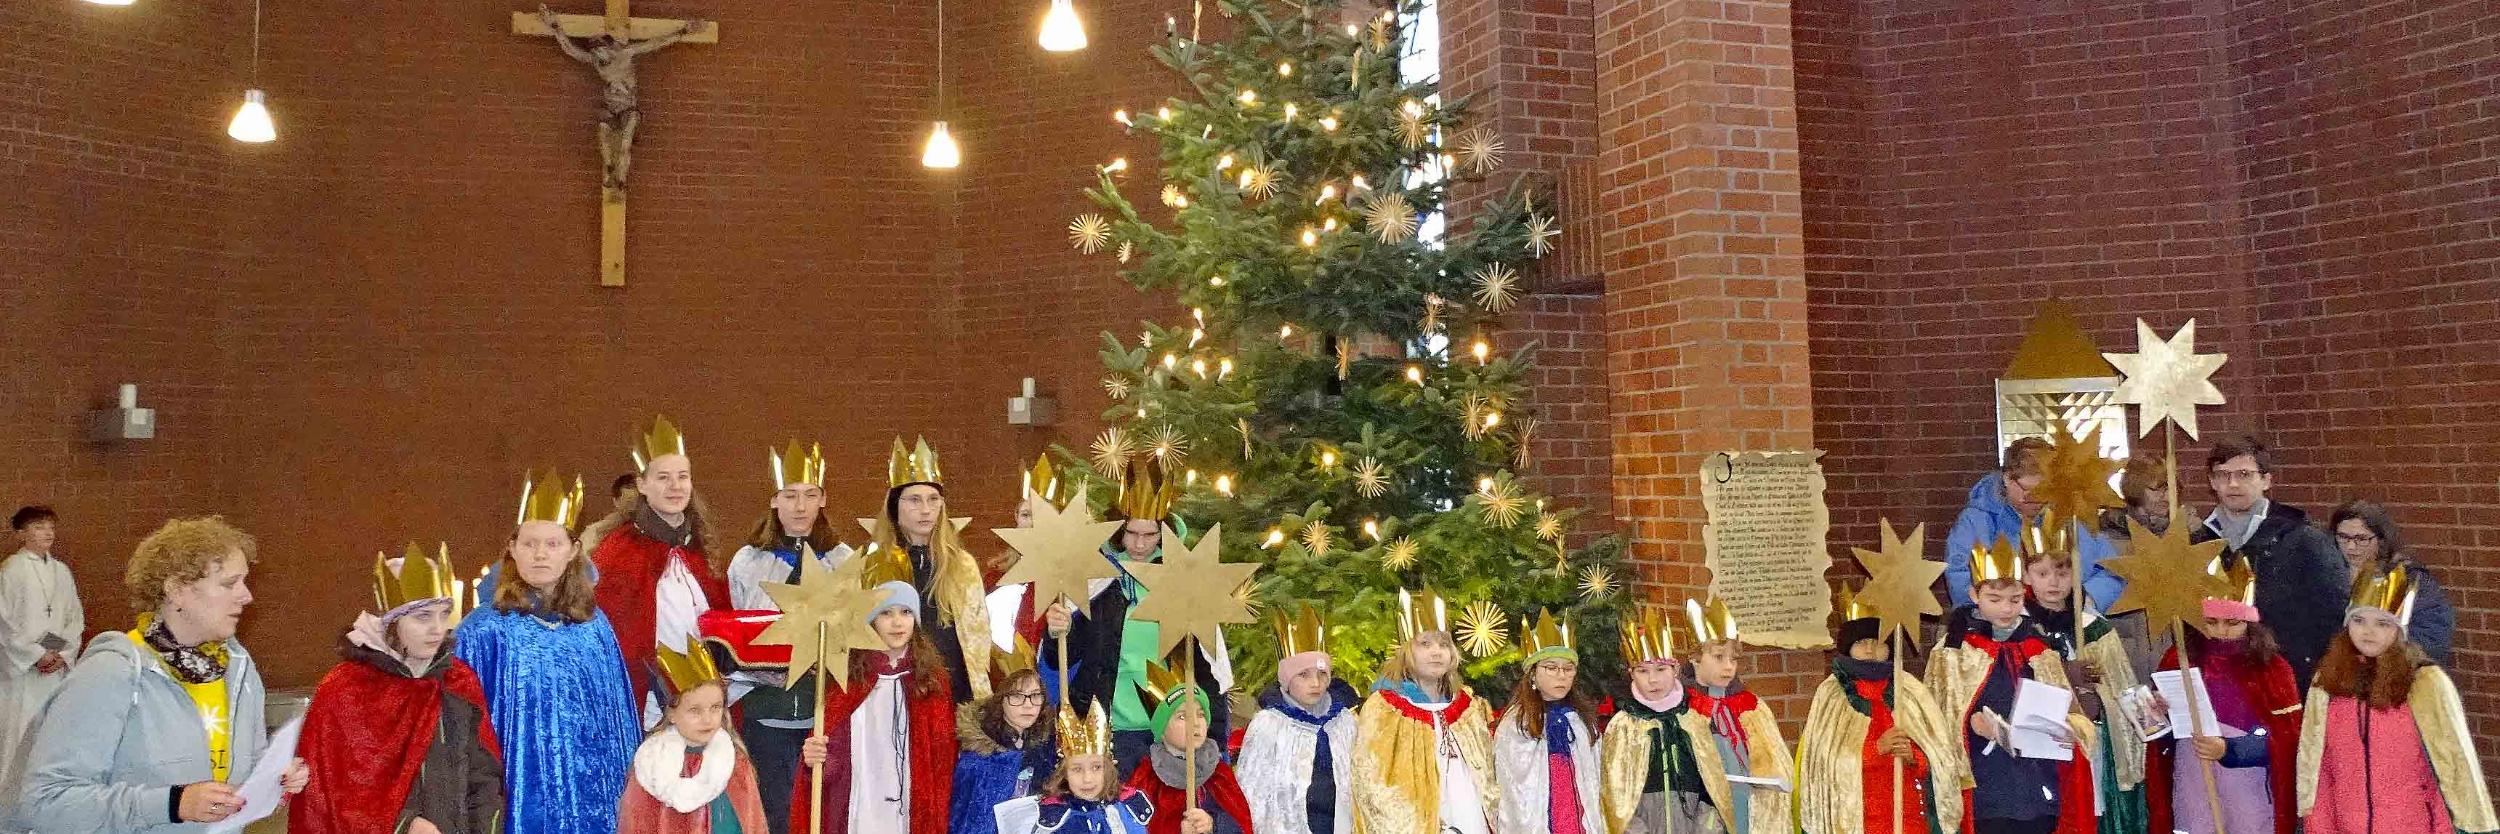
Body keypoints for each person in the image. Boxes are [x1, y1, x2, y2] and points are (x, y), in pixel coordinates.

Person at [18, 516, 308, 833]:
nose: (246, 596)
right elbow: (47, 801)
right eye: (229, 583)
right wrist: (173, 803)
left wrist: (273, 776)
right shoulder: (112, 670)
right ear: (177, 590)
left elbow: (239, 769)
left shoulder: (239, 668)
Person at [455, 471, 642, 834]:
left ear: (573, 550)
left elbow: (617, 723)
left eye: (553, 544)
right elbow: (464, 731)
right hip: (517, 793)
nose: (540, 554)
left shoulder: (593, 626)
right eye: (529, 544)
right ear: (511, 548)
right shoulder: (482, 632)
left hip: (592, 795)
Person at [291, 545, 501, 834]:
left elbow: (483, 777)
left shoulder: (457, 682)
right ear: (391, 622)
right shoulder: (348, 688)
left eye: (444, 614)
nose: (438, 629)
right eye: (423, 617)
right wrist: (404, 823)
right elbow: (340, 789)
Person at [1044, 460, 1230, 776]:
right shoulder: (1095, 580)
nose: (1140, 544)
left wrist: (1213, 739)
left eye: (1150, 534)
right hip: (1106, 728)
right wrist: (1057, 631)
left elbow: (1207, 666)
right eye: (1131, 533)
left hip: (1168, 732)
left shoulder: (1182, 581)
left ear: (1165, 532)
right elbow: (1061, 658)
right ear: (1118, 529)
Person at [2295, 564, 2494, 834]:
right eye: (2358, 620)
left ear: (2399, 628)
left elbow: (2449, 769)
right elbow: (2319, 767)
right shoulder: (2327, 682)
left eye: (2382, 623)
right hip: (2345, 825)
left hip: (2411, 824)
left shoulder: (2425, 683)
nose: (2368, 631)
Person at [1927, 540, 2094, 834]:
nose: (2006, 608)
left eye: (2015, 599)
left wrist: (2071, 730)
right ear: (1973, 595)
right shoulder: (1952, 652)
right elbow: (1935, 719)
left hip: (2036, 784)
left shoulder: (2038, 649)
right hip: (1985, 785)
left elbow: (2073, 714)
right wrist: (1968, 722)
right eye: (1995, 599)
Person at [724, 440, 849, 834]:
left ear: (823, 499)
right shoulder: (749, 561)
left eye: (810, 496)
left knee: (824, 812)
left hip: (824, 706)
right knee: (773, 812)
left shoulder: (843, 559)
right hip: (766, 708)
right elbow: (733, 633)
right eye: (790, 496)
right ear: (774, 500)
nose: (800, 506)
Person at [594, 415, 732, 724]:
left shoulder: (698, 548)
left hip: (704, 704)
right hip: (648, 708)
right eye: (663, 477)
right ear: (642, 484)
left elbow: (720, 623)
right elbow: (612, 637)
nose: (675, 486)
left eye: (683, 477)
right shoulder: (617, 552)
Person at [796, 574, 960, 834]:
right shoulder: (848, 679)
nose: (897, 622)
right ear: (872, 622)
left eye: (906, 612)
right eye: (886, 613)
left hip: (909, 805)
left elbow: (941, 757)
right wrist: (817, 759)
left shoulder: (930, 680)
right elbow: (832, 757)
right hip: (861, 803)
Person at [2144, 561, 2299, 834]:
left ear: (2250, 623)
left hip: (2247, 776)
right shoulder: (2179, 657)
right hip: (2192, 767)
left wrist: (2230, 750)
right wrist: (2159, 712)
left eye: (2232, 622)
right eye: (2211, 622)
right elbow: (2161, 736)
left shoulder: (2272, 668)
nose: (2221, 631)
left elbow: (2287, 738)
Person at [1795, 588, 1963, 834]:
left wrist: (1916, 756)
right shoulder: (1833, 694)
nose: (1871, 650)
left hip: (1908, 817)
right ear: (1848, 647)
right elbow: (1824, 765)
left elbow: (1942, 757)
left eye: (1879, 642)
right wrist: (1876, 750)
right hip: (1858, 818)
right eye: (1862, 642)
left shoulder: (1910, 690)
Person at [2020, 517, 2148, 834]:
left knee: (2089, 809)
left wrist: (2146, 714)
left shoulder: (2092, 626)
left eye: (2063, 573)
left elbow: (2120, 682)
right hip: (2041, 743)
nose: (2054, 583)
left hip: (2091, 741)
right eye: (2043, 573)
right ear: (2026, 575)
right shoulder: (2018, 627)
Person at [2188, 435, 2346, 687]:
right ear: (2212, 482)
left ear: (2266, 480)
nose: (2233, 483)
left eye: (2244, 474)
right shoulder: (2198, 545)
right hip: (2221, 680)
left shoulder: (2303, 539)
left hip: (2290, 678)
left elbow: (2334, 613)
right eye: (2222, 475)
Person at [1348, 588, 1497, 834]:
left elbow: (1486, 774)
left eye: (1443, 644)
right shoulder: (1385, 708)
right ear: (1406, 650)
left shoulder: (1467, 709)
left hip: (1468, 815)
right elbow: (1371, 779)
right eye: (1425, 644)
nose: (1436, 651)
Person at [869, 437, 995, 703]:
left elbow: (978, 638)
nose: (925, 510)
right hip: (897, 693)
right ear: (894, 505)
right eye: (914, 500)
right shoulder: (875, 565)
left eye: (933, 499)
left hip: (955, 693)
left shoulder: (962, 565)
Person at [1946, 437, 2117, 611]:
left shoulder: (2071, 516)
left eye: (2044, 491)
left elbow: (2113, 569)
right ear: (2007, 479)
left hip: (2065, 619)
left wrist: (2088, 599)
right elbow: (1959, 576)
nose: (2036, 499)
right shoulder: (1976, 520)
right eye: (2028, 490)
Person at [617, 643, 770, 834]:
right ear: (671, 714)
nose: (707, 719)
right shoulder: (652, 764)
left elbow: (753, 823)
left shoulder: (734, 762)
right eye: (695, 711)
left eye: (715, 707)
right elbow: (636, 824)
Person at [1597, 606, 1718, 834]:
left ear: (1675, 670)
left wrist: (1707, 826)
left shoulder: (1693, 721)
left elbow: (1711, 787)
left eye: (1661, 669)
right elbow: (1614, 793)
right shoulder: (1623, 726)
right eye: (1643, 671)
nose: (1653, 680)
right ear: (1631, 674)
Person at [1234, 607, 1356, 834]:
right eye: (1303, 675)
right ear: (1287, 681)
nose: (1315, 683)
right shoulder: (1269, 724)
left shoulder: (1343, 721)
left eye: (1322, 675)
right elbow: (1252, 788)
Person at [1681, 596, 1792, 834]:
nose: (1729, 666)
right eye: (1719, 657)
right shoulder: (1682, 708)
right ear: (1695, 657)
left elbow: (1775, 761)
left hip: (1749, 811)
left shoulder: (1751, 707)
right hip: (1702, 816)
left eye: (1733, 659)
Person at [1493, 609, 1602, 834]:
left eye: (1568, 669)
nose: (1561, 675)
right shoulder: (1517, 724)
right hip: (1541, 818)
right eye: (1551, 668)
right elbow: (1512, 787)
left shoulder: (1581, 719)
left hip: (1576, 813)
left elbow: (1594, 779)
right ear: (1532, 674)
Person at [0, 505, 83, 794]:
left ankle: (46, 793)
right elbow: (5, 620)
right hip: (22, 672)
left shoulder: (61, 571)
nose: (47, 532)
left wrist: (59, 653)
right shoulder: (12, 569)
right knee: (18, 736)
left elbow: (72, 617)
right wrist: (35, 654)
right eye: (38, 527)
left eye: (50, 527)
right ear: (21, 533)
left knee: (51, 734)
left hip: (54, 669)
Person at [1122, 665, 1255, 834]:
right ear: (1162, 730)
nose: (1195, 723)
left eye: (1200, 714)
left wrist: (1213, 824)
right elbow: (1131, 825)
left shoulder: (1219, 773)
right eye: (1182, 716)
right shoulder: (1147, 778)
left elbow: (1242, 824)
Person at [2320, 500, 2452, 665]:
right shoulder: (2326, 575)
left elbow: (2433, 638)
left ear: (2382, 539)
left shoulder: (2409, 580)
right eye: (2343, 537)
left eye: (2361, 539)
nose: (2351, 547)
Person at [992, 702, 1157, 834]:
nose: (1087, 778)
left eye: (1096, 767)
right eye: (1077, 769)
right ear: (1064, 773)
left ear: (1108, 768)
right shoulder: (1052, 820)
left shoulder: (1129, 810)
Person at [952, 644, 1060, 834]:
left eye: (1035, 696)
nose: (1028, 705)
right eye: (1017, 696)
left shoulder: (1046, 748)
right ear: (1000, 699)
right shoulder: (978, 759)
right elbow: (967, 818)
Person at [2094, 453, 2169, 680]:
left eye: (2170, 487)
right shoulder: (2105, 538)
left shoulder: (2184, 534)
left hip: (2168, 648)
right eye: (2157, 489)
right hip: (2124, 645)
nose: (2166, 496)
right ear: (2136, 490)